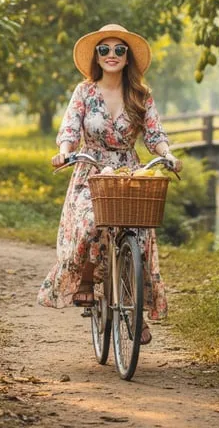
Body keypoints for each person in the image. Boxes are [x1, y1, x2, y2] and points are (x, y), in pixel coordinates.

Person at [36, 23, 183, 345]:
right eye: (105, 50)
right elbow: (70, 128)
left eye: (119, 49)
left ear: (128, 57)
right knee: (90, 224)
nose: (112, 55)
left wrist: (168, 155)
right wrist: (64, 153)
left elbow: (155, 134)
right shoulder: (84, 92)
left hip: (128, 171)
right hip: (90, 170)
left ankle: (137, 313)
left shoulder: (141, 94)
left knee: (139, 238)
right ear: (96, 57)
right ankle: (87, 280)